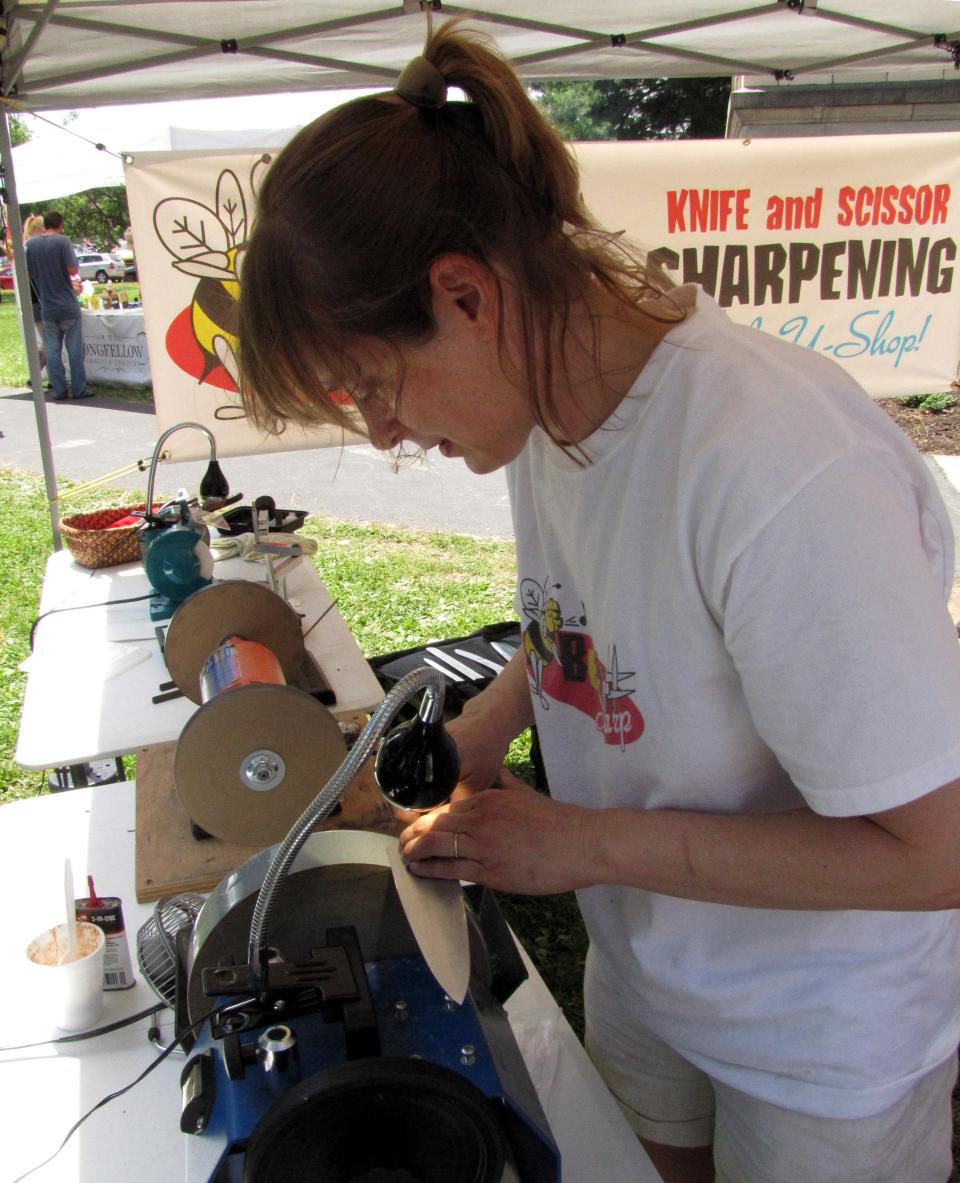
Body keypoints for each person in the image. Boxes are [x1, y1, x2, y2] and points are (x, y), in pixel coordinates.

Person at [237, 21, 960, 1183]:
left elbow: (936, 851)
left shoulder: (771, 465)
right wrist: (492, 722)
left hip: (822, 1039)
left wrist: (583, 840)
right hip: (652, 957)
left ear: (464, 294)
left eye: (373, 386)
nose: (388, 436)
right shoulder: (547, 411)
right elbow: (589, 609)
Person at [25, 210, 90, 400]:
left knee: (52, 350)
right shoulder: (63, 241)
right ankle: (79, 389)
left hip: (47, 306)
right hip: (67, 303)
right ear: (60, 224)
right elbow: (72, 269)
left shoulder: (32, 245)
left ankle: (59, 389)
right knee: (75, 349)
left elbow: (29, 273)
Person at [22, 214, 47, 376]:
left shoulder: (26, 246)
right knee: (48, 342)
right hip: (36, 299)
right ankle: (35, 375)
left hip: (35, 299)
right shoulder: (31, 247)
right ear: (37, 229)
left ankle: (36, 375)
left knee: (46, 341)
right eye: (43, 229)